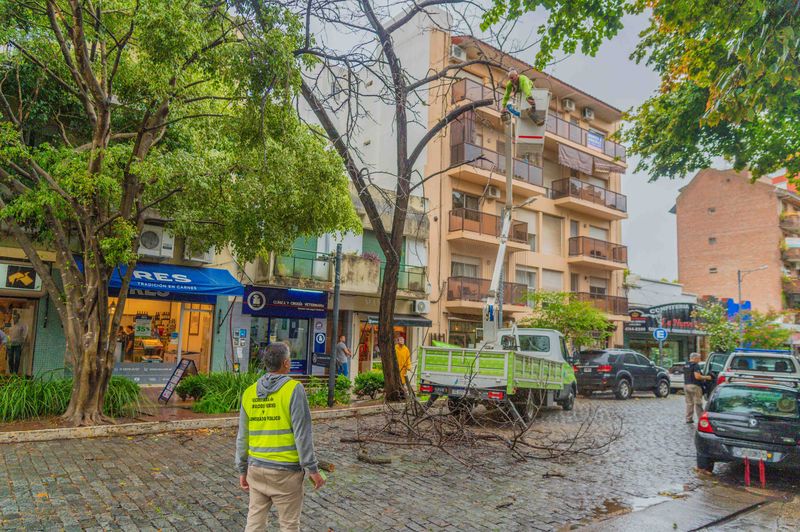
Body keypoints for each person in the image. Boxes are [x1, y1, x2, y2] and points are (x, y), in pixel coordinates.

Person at [236, 342, 325, 531]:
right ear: (286, 363)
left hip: (256, 468)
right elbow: (302, 433)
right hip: (286, 473)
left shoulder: (249, 392)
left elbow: (242, 437)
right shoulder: (294, 389)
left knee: (254, 523)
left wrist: (242, 469)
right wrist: (313, 469)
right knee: (289, 525)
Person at [684, 352, 712, 424]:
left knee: (689, 403)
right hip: (695, 386)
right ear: (694, 358)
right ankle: (701, 419)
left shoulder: (686, 365)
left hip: (686, 385)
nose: (699, 360)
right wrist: (707, 377)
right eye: (699, 358)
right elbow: (697, 377)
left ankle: (688, 419)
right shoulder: (695, 365)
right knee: (698, 403)